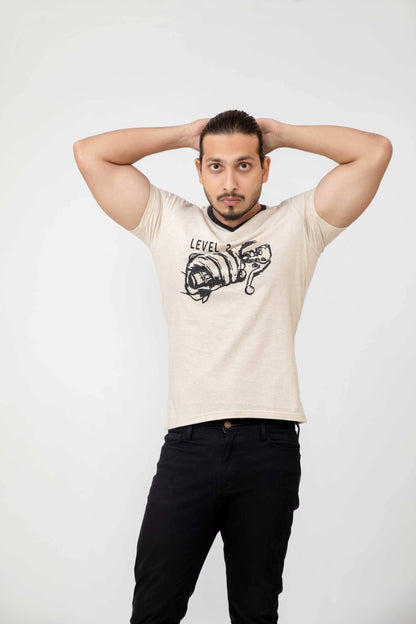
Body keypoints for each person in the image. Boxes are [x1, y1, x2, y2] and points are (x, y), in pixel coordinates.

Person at [73, 110, 392, 623]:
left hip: (268, 444)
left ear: (266, 168)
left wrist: (282, 134)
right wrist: (184, 134)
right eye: (216, 166)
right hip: (189, 445)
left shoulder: (299, 224)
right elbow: (90, 153)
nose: (229, 183)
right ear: (198, 169)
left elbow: (374, 151)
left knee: (255, 612)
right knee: (153, 609)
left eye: (244, 165)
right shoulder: (166, 220)